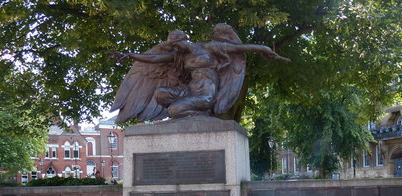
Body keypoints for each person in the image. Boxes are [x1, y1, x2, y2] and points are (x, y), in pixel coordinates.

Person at [111, 24, 289, 122]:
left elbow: (242, 47)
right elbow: (155, 59)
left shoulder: (210, 47)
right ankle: (194, 113)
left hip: (206, 91)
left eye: (175, 44)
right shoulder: (178, 55)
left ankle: (200, 114)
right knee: (160, 94)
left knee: (173, 110)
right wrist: (130, 55)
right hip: (189, 90)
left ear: (182, 40)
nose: (173, 48)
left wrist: (265, 49)